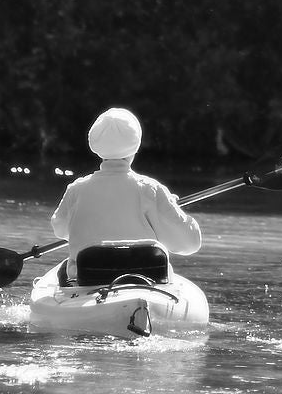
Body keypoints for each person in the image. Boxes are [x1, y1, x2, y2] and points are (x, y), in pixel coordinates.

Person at [50, 107, 201, 283]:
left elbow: (59, 229)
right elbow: (189, 243)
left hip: (89, 279)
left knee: (64, 271)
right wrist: (171, 207)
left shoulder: (76, 189)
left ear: (96, 145)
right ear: (135, 146)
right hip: (146, 279)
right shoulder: (151, 190)